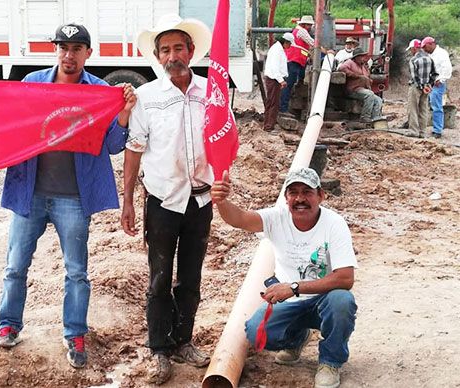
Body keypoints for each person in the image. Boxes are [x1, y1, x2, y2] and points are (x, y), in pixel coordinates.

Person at [0, 23, 136, 369]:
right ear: (56, 51)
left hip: (74, 197)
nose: (68, 55)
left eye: (76, 49)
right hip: (30, 193)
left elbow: (115, 148)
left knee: (76, 272)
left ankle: (74, 333)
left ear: (88, 53)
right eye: (63, 48)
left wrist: (122, 115)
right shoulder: (31, 85)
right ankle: (8, 325)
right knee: (15, 266)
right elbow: (12, 134)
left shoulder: (100, 91)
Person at [121, 14, 213, 385]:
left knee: (190, 276)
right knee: (159, 278)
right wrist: (127, 200)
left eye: (179, 48)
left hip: (200, 201)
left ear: (190, 52)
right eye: (165, 50)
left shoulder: (211, 92)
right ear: (158, 57)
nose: (172, 55)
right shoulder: (146, 97)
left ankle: (184, 340)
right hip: (161, 200)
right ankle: (159, 347)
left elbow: (225, 142)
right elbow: (133, 149)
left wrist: (223, 180)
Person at [210, 167, 357, 388]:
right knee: (256, 331)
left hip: (323, 302)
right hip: (291, 303)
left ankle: (330, 362)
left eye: (307, 192)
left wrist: (294, 287)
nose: (300, 199)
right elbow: (239, 219)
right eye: (293, 192)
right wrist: (221, 201)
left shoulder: (334, 224)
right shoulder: (277, 218)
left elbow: (345, 278)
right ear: (286, 197)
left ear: (321, 196)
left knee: (342, 301)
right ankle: (297, 339)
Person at [338, 48, 383, 123]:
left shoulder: (364, 66)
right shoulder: (350, 62)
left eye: (363, 56)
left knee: (378, 100)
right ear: (356, 57)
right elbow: (341, 68)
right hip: (353, 90)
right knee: (369, 95)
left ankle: (376, 119)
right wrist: (356, 76)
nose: (363, 58)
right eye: (361, 56)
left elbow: (367, 77)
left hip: (362, 90)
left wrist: (368, 80)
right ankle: (365, 117)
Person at [280, 15, 315, 113]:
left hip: (296, 61)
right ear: (304, 24)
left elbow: (304, 49)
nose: (310, 27)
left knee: (292, 83)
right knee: (288, 85)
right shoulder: (302, 31)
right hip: (294, 61)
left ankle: (284, 107)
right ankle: (283, 109)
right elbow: (313, 43)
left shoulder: (297, 31)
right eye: (309, 25)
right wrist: (326, 50)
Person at [421, 36, 452, 139]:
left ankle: (437, 130)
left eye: (425, 47)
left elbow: (447, 68)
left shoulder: (441, 54)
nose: (425, 50)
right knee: (430, 105)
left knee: (436, 106)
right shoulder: (433, 54)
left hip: (437, 83)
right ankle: (433, 127)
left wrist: (441, 79)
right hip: (432, 82)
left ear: (431, 44)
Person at [406, 38, 437, 138]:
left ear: (414, 49)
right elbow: (434, 74)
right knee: (424, 109)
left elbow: (414, 76)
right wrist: (428, 85)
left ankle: (414, 131)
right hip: (426, 88)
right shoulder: (429, 59)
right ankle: (422, 132)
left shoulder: (413, 60)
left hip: (416, 87)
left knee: (413, 109)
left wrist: (420, 85)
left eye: (411, 49)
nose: (411, 51)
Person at [263, 33, 294, 131]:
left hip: (273, 79)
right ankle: (269, 126)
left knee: (271, 102)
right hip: (274, 80)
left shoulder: (277, 49)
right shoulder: (277, 50)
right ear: (286, 42)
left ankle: (268, 124)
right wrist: (281, 81)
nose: (289, 47)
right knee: (273, 103)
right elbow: (275, 68)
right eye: (289, 44)